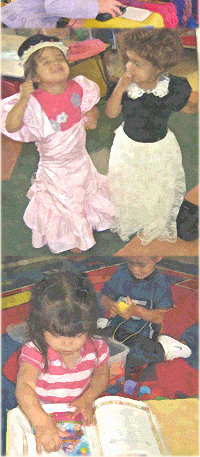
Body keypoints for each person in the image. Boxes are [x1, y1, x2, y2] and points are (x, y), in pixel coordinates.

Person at [1, 34, 116, 253]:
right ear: (33, 75)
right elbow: (12, 125)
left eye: (59, 58)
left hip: (81, 160)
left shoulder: (79, 87)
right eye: (46, 62)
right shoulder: (32, 101)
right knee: (65, 201)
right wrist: (24, 98)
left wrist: (93, 113)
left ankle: (87, 221)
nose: (55, 63)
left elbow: (89, 109)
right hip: (56, 169)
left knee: (85, 190)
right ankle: (73, 236)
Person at [106, 28, 194, 245]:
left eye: (137, 63)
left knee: (156, 185)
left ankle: (153, 220)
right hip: (127, 147)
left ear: (159, 68)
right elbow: (111, 113)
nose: (128, 67)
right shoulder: (124, 86)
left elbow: (190, 108)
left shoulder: (174, 87)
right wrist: (119, 88)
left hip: (159, 148)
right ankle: (133, 217)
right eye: (128, 60)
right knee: (129, 184)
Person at [16, 270, 110, 453]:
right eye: (57, 334)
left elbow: (102, 373)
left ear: (90, 325)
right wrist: (41, 423)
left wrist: (88, 398)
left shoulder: (97, 347)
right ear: (40, 326)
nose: (67, 342)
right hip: (39, 409)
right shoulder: (35, 351)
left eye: (77, 334)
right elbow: (24, 386)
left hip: (78, 407)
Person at [100, 256, 191, 382]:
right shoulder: (121, 273)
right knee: (91, 344)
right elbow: (104, 299)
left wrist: (136, 311)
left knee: (134, 363)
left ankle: (164, 349)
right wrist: (112, 305)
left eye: (142, 265)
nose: (136, 270)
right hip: (115, 327)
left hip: (142, 334)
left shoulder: (160, 282)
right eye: (131, 262)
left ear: (157, 258)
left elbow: (158, 317)